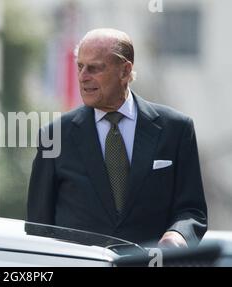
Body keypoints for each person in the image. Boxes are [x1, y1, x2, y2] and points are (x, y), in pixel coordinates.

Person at [27, 28, 207, 248]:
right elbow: (38, 225)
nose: (83, 77)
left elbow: (192, 211)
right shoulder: (54, 135)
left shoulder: (176, 130)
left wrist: (177, 236)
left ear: (125, 71)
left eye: (94, 68)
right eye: (80, 67)